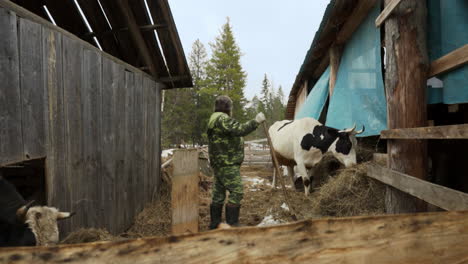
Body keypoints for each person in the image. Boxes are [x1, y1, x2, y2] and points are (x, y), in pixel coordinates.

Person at [207, 95, 265, 229]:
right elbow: (240, 129)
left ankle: (215, 224)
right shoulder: (222, 119)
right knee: (237, 191)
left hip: (219, 163)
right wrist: (255, 121)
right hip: (227, 163)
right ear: (227, 108)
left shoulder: (214, 120)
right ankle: (232, 224)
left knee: (218, 193)